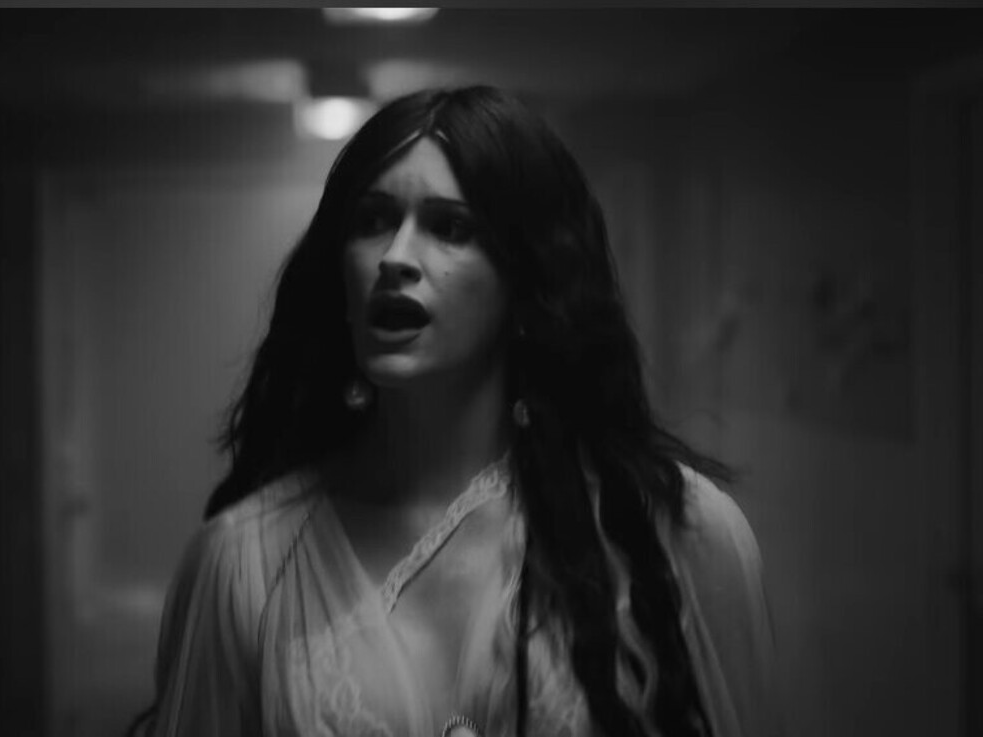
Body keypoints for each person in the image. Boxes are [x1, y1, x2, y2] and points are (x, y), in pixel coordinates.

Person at [142, 85, 779, 737]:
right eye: (373, 220)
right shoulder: (243, 561)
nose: (396, 258)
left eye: (450, 228)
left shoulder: (676, 535)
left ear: (526, 276)